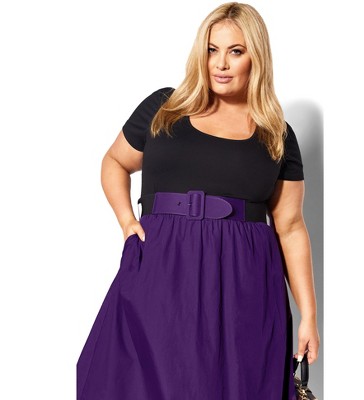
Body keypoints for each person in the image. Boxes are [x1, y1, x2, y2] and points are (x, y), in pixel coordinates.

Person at [76, 2, 320, 399]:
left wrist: (308, 314)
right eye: (211, 50)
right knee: (136, 381)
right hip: (160, 269)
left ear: (256, 57)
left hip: (243, 282)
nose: (220, 63)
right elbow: (115, 162)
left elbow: (290, 227)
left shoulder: (276, 134)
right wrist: (126, 220)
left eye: (235, 51)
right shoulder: (165, 108)